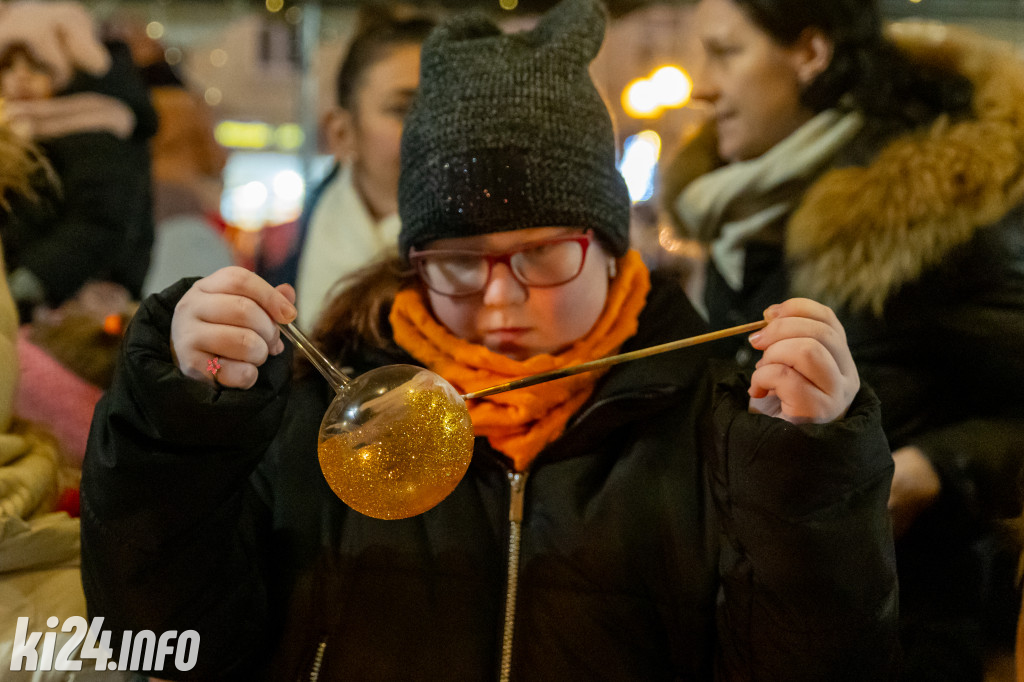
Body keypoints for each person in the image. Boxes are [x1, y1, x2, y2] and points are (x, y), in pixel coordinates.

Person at [81, 0, 899, 679]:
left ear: (610, 247)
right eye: (459, 263)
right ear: (413, 261)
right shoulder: (321, 415)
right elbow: (164, 639)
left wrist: (813, 481)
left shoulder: (717, 425)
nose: (501, 297)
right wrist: (178, 425)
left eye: (541, 254)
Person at [664, 0, 1024, 679]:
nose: (700, 84)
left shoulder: (934, 210)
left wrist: (936, 470)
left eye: (724, 52)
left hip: (907, 624)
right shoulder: (737, 211)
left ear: (810, 53)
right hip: (750, 614)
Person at [259, 7, 435, 330]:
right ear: (342, 132)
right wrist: (209, 366)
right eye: (403, 109)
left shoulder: (488, 242)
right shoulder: (300, 232)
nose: (430, 127)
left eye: (442, 106)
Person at [0, 0, 155, 320]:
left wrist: (31, 279)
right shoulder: (15, 129)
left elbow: (101, 220)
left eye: (37, 66)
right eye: (8, 67)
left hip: (65, 310)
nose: (21, 78)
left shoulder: (94, 128)